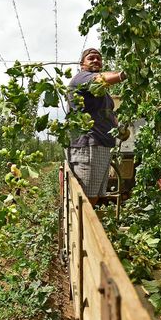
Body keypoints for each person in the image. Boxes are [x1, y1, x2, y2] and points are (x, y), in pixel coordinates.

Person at [67, 48, 128, 205]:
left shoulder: (103, 94)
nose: (95, 60)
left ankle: (86, 228)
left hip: (102, 145)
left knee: (94, 196)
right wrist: (124, 74)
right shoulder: (82, 78)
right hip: (89, 144)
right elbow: (101, 78)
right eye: (91, 58)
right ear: (82, 64)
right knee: (85, 198)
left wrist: (119, 128)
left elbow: (109, 114)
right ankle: (82, 229)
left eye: (98, 59)